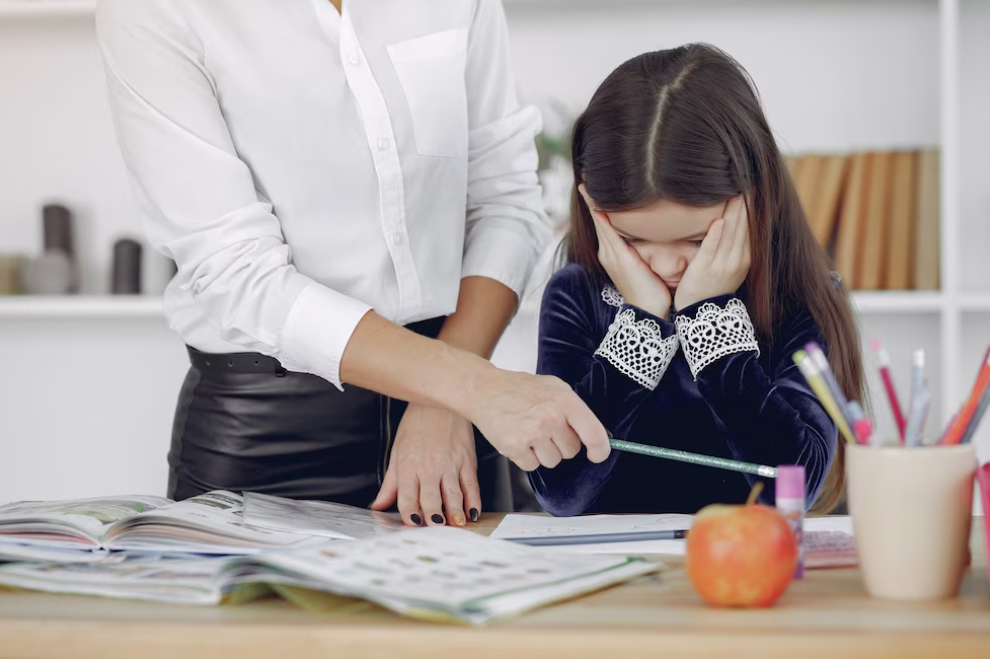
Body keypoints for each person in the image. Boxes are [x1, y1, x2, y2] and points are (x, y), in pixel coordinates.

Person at [95, 0, 610, 529]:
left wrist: (445, 400)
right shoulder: (154, 10)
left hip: (456, 434)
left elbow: (505, 202)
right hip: (267, 444)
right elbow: (236, 273)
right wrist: (468, 386)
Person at [530, 44, 864, 516]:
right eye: (633, 240)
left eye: (693, 239)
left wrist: (709, 318)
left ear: (754, 200)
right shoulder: (577, 296)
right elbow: (559, 491)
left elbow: (795, 486)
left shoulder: (800, 298)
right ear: (593, 211)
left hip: (761, 570)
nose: (666, 267)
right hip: (616, 578)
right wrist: (643, 322)